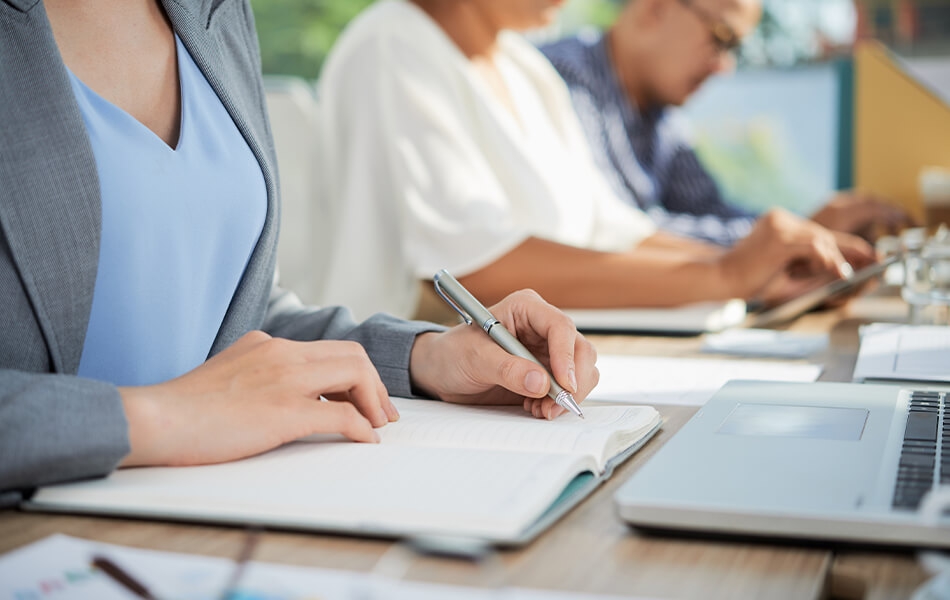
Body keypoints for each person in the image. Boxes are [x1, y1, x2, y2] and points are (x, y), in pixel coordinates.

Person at [0, 0, 600, 506]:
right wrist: (161, 418)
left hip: (218, 507)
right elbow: (207, 390)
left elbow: (233, 322)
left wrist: (426, 359)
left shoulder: (214, 12)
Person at [313, 0, 876, 321]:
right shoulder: (393, 46)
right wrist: (722, 275)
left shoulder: (523, 68)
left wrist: (760, 271)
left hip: (526, 375)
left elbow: (609, 230)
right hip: (405, 396)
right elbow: (473, 273)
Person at [540, 0, 913, 247]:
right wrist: (791, 237)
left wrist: (800, 233)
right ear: (655, 7)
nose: (724, 66)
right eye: (721, 38)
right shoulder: (560, 78)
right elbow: (612, 232)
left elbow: (709, 210)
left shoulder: (659, 114)